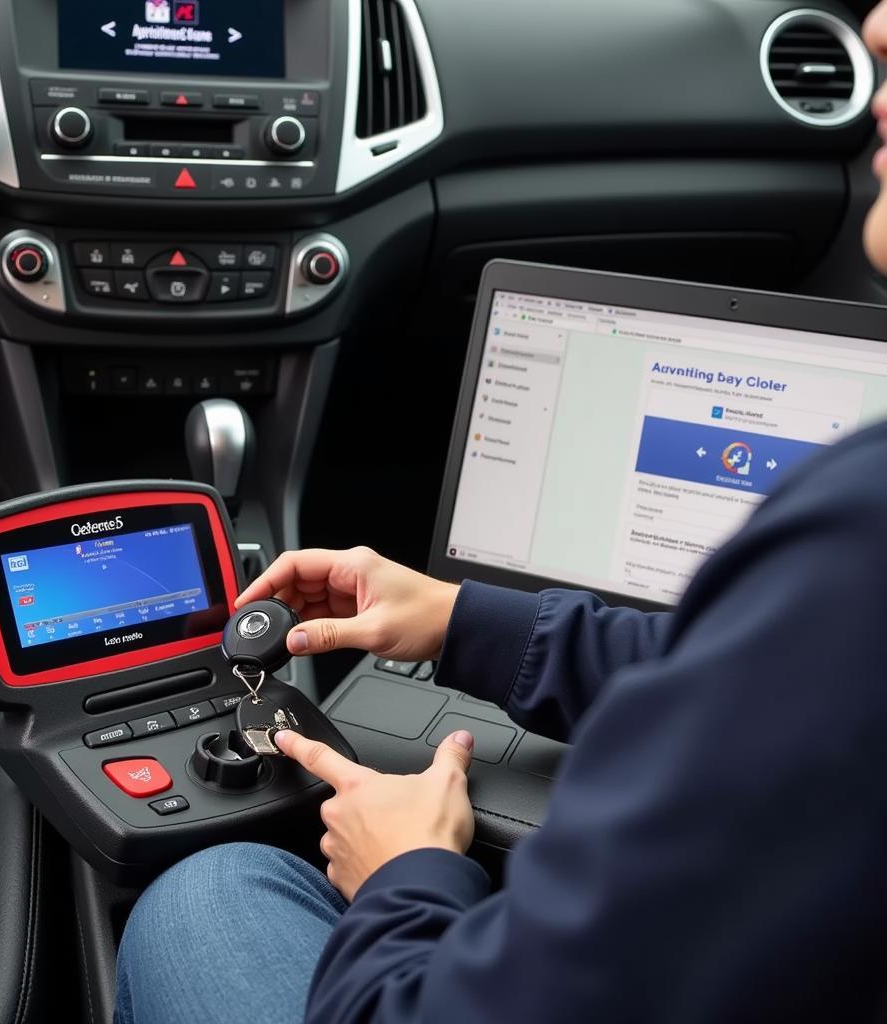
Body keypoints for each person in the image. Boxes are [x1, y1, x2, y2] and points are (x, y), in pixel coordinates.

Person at [113, 7, 887, 1022]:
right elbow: (792, 680)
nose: (873, 27)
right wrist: (461, 619)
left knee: (206, 893)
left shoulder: (856, 535)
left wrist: (409, 876)